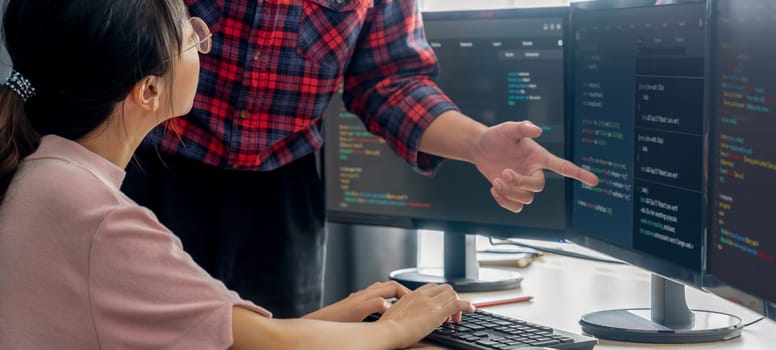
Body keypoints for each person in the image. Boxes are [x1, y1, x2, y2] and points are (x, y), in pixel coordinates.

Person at [0, 0, 473, 348]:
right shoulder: (108, 224)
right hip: (170, 171)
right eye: (191, 35)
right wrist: (396, 329)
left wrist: (344, 315)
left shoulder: (48, 179)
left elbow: (222, 334)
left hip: (277, 184)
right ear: (148, 90)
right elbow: (258, 342)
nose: (204, 42)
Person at [123, 0, 601, 318]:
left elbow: (388, 80)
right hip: (147, 165)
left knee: (282, 335)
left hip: (280, 192)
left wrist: (478, 144)